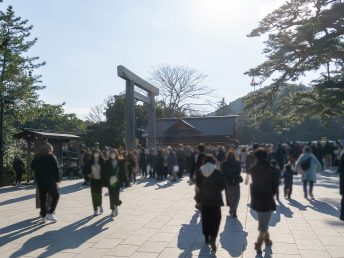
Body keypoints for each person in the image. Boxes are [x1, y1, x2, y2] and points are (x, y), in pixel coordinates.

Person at [247, 148, 279, 255]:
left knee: (263, 222)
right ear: (266, 156)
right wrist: (271, 193)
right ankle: (258, 244)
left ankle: (268, 240)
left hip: (257, 198)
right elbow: (275, 184)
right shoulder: (272, 169)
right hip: (268, 197)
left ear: (255, 157)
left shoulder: (252, 169)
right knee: (263, 224)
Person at [195, 154, 226, 252]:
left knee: (205, 219)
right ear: (214, 161)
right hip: (216, 200)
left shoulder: (200, 171)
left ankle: (206, 237)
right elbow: (223, 185)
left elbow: (198, 185)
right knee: (216, 219)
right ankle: (213, 237)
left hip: (204, 200)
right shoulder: (218, 172)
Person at [30, 142, 60, 223]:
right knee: (56, 196)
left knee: (43, 199)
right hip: (50, 181)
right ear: (50, 149)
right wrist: (57, 181)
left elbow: (31, 166)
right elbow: (56, 169)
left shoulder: (37, 157)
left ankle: (43, 216)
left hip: (40, 181)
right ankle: (50, 213)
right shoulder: (51, 157)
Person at [101, 149, 126, 217]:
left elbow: (123, 172)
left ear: (116, 154)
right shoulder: (107, 162)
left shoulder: (120, 162)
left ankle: (116, 206)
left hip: (118, 181)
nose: (113, 154)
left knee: (116, 195)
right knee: (111, 196)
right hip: (110, 181)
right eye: (111, 153)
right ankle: (112, 209)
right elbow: (104, 172)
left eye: (114, 153)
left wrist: (124, 180)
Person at [221, 150, 242, 218]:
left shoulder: (224, 163)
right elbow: (239, 172)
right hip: (236, 181)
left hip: (227, 182)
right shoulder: (237, 163)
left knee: (230, 197)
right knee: (237, 196)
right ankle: (234, 210)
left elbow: (222, 173)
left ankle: (232, 209)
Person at [85, 149, 105, 216]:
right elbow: (85, 170)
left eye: (97, 153)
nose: (96, 154)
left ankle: (100, 204)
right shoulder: (90, 162)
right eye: (95, 153)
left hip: (100, 180)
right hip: (93, 180)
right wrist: (89, 174)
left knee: (99, 194)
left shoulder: (102, 161)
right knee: (93, 195)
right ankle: (95, 210)